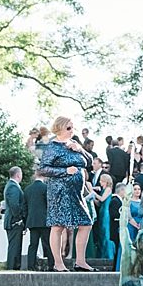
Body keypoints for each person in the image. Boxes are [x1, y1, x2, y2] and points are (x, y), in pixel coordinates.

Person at [39, 116, 95, 272]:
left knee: (86, 223)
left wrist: (81, 150)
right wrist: (65, 171)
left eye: (73, 128)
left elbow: (90, 162)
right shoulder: (52, 146)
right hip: (59, 191)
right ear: (60, 128)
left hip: (76, 193)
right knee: (58, 226)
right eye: (68, 128)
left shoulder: (75, 144)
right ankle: (58, 263)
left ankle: (80, 261)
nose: (72, 131)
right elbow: (43, 169)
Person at [24, 172, 54, 271]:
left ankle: (30, 266)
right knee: (47, 244)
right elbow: (49, 204)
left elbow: (25, 207)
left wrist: (25, 221)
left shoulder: (27, 189)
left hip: (32, 221)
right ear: (44, 176)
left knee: (33, 245)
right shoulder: (46, 188)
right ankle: (51, 265)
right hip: (44, 220)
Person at [2, 166, 26, 271]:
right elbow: (14, 205)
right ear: (18, 175)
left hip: (13, 220)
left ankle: (14, 266)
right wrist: (19, 218)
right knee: (14, 246)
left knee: (16, 246)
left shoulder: (11, 186)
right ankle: (12, 268)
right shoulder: (13, 187)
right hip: (14, 221)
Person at [91, 173, 115, 259]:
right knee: (101, 233)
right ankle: (102, 254)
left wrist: (93, 192)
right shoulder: (103, 190)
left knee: (105, 233)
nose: (100, 182)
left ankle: (108, 254)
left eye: (101, 180)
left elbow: (102, 199)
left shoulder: (108, 189)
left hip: (105, 213)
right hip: (101, 212)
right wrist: (93, 199)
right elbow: (99, 203)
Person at [110, 182, 128, 270]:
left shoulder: (118, 200)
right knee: (117, 249)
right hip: (116, 228)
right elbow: (114, 214)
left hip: (119, 228)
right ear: (121, 190)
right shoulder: (115, 200)